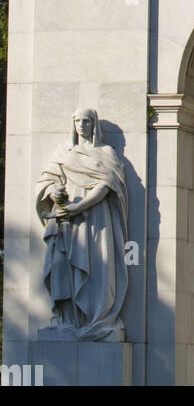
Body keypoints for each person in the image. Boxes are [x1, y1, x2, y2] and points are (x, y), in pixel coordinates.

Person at [36, 107, 129, 340]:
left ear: (94, 124)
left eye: (86, 121)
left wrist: (81, 206)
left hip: (94, 219)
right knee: (60, 265)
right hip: (64, 220)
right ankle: (64, 320)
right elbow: (47, 181)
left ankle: (97, 320)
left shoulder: (106, 152)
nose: (81, 126)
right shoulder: (63, 152)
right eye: (77, 121)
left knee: (97, 267)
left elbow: (108, 183)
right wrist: (53, 190)